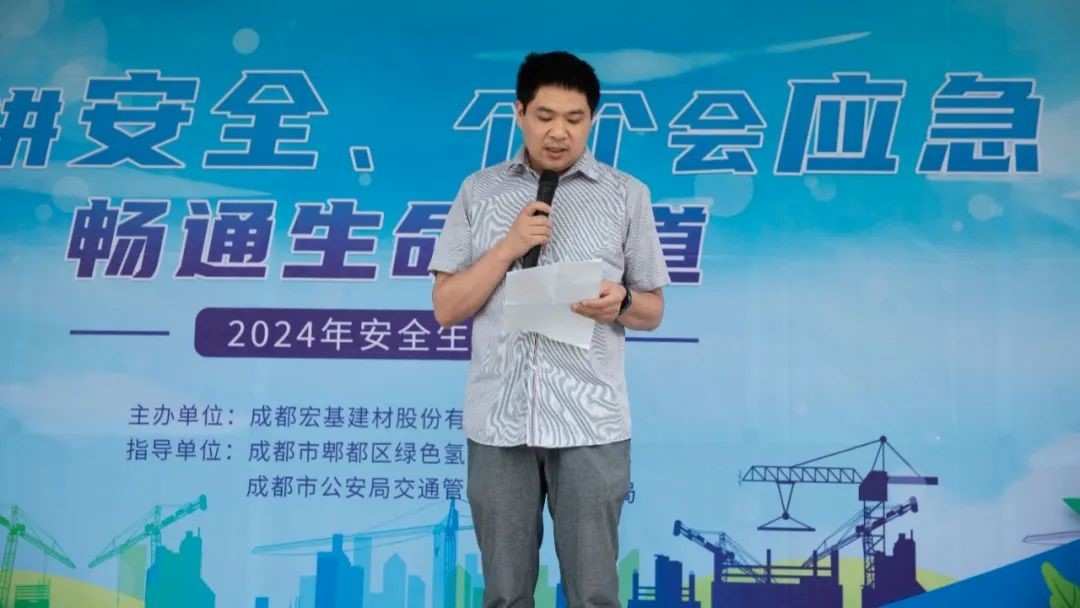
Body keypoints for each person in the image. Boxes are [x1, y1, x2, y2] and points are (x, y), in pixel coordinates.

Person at [428, 50, 669, 608]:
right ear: (519, 113)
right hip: (498, 421)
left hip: (590, 422)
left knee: (594, 595)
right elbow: (446, 307)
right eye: (545, 116)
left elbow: (653, 309)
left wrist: (621, 302)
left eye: (575, 118)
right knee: (505, 595)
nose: (559, 132)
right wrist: (508, 246)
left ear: (592, 119)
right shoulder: (479, 192)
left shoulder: (626, 195)